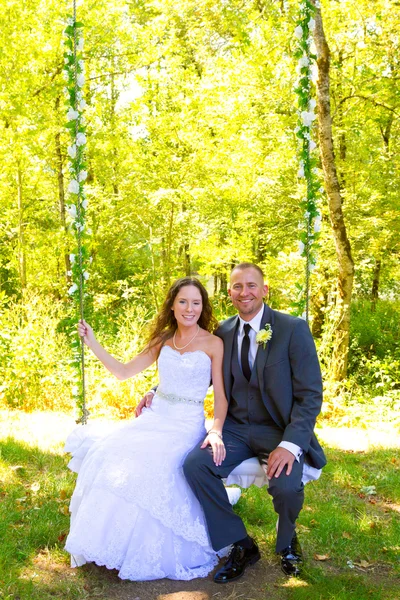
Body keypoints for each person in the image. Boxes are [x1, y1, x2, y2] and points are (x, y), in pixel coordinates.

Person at [139, 263, 326, 580]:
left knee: (286, 486)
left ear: (265, 290)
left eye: (252, 285)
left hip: (278, 431)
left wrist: (290, 444)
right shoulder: (223, 332)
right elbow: (201, 375)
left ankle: (287, 541)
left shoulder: (292, 329)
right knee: (195, 465)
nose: (245, 292)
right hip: (235, 429)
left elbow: (310, 395)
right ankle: (241, 543)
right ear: (229, 293)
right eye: (238, 287)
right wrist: (157, 391)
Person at [64, 277, 229, 581]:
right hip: (156, 417)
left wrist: (215, 430)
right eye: (183, 301)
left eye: (196, 302)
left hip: (184, 425)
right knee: (108, 452)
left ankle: (144, 549)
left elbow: (220, 396)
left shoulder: (213, 344)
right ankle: (110, 543)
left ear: (202, 307)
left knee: (155, 465)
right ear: (172, 304)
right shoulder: (163, 340)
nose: (189, 308)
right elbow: (123, 372)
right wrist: (93, 342)